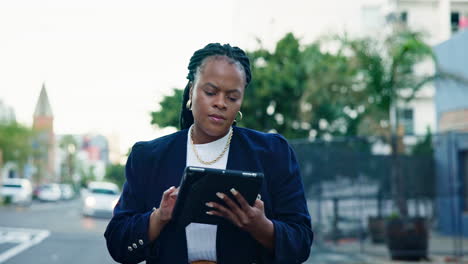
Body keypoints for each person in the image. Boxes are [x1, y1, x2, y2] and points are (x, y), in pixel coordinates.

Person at [104, 43, 313, 264]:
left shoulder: (272, 154)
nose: (220, 103)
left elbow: (301, 243)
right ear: (192, 90)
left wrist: (260, 226)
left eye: (232, 97)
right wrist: (159, 217)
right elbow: (118, 244)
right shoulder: (149, 157)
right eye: (210, 92)